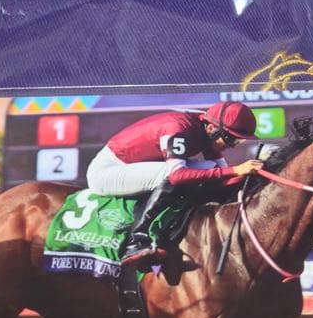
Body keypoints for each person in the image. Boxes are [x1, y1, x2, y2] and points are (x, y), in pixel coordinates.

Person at [86, 101, 263, 268]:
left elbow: (222, 174)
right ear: (212, 128)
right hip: (107, 172)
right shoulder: (178, 128)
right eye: (231, 139)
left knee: (211, 168)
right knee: (169, 174)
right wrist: (236, 170)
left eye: (239, 141)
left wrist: (257, 172)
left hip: (134, 166)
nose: (233, 146)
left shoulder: (208, 128)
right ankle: (137, 239)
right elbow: (177, 176)